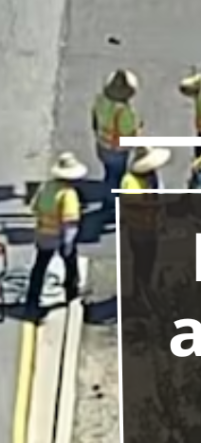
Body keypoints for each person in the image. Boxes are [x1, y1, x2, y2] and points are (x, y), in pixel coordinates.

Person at [24, 153, 86, 321]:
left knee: (39, 268)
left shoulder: (46, 187)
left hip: (43, 236)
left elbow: (34, 208)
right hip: (59, 237)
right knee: (70, 265)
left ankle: (32, 300)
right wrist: (68, 245)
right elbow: (69, 223)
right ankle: (72, 295)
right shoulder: (68, 194)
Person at [120, 147, 171, 308]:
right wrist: (154, 205)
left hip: (151, 228)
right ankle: (140, 295)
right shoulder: (130, 182)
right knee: (142, 264)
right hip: (139, 231)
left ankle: (144, 292)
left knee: (148, 264)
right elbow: (130, 203)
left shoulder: (151, 178)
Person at [91, 69, 142, 209]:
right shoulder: (125, 112)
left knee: (108, 173)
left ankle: (108, 197)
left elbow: (94, 121)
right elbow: (129, 133)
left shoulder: (100, 100)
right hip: (117, 150)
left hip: (102, 144)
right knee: (117, 176)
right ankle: (112, 203)